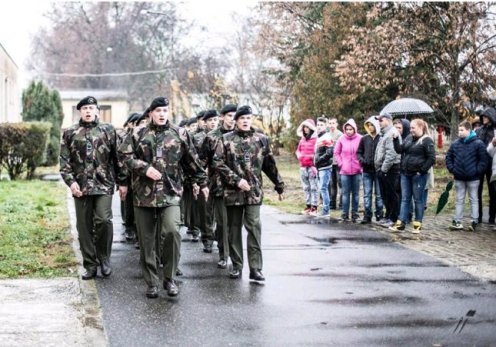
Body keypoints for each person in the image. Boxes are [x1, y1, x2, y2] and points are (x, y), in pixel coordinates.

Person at [119, 97, 208, 298]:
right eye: (158, 110)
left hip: (171, 193)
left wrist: (201, 183)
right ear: (150, 112)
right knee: (147, 241)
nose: (161, 114)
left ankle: (169, 278)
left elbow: (192, 161)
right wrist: (144, 168)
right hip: (143, 195)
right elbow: (124, 156)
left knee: (171, 232)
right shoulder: (138, 133)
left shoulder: (179, 133)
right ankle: (151, 282)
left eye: (165, 110)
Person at [212, 105, 284, 281]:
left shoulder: (261, 139)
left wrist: (278, 184)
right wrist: (236, 180)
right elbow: (218, 163)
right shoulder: (226, 140)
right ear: (236, 121)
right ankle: (237, 265)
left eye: (248, 118)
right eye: (242, 118)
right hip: (233, 192)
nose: (245, 121)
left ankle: (256, 268)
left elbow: (269, 164)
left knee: (253, 227)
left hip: (253, 192)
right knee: (234, 229)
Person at [60, 96, 126, 280]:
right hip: (80, 187)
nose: (88, 111)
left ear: (97, 110)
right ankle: (90, 264)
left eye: (91, 108)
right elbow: (64, 162)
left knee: (104, 220)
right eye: (85, 108)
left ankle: (104, 258)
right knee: (84, 227)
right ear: (79, 111)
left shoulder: (108, 130)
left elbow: (118, 159)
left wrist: (122, 182)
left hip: (103, 185)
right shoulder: (71, 132)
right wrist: (71, 182)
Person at [202, 103, 237, 268]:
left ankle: (236, 257)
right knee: (222, 223)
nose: (232, 119)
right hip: (219, 186)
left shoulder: (243, 135)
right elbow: (203, 161)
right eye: (229, 115)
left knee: (235, 224)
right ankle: (224, 255)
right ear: (222, 117)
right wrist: (201, 183)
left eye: (234, 115)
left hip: (239, 187)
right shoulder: (211, 137)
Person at [389, 119, 436, 233]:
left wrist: (422, 170)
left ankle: (417, 223)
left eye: (413, 128)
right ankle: (401, 223)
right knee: (405, 199)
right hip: (405, 173)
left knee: (418, 200)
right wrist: (395, 139)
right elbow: (400, 150)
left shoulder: (427, 140)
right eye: (410, 128)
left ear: (420, 127)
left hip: (418, 175)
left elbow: (431, 158)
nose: (411, 130)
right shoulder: (409, 138)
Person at [446, 120, 488, 232]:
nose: (459, 132)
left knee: (473, 199)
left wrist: (476, 171)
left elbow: (484, 160)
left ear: (468, 130)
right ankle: (458, 221)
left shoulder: (478, 144)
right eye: (459, 130)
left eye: (462, 130)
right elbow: (448, 157)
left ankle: (474, 220)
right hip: (459, 177)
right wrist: (453, 169)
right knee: (459, 199)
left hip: (473, 178)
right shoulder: (455, 144)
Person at [193, 109, 219, 253]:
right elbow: (197, 160)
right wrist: (197, 180)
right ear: (205, 122)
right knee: (206, 210)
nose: (213, 123)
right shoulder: (198, 138)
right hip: (205, 178)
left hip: (220, 179)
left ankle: (217, 235)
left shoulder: (223, 136)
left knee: (218, 211)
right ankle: (207, 238)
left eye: (215, 120)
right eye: (210, 121)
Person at [374, 113, 402, 227]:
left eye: (381, 120)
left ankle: (393, 218)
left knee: (391, 195)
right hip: (383, 169)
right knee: (385, 195)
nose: (379, 122)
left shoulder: (392, 133)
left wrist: (383, 170)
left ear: (388, 120)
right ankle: (388, 215)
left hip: (390, 169)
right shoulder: (384, 134)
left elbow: (391, 154)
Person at [334, 119, 362, 222]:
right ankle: (344, 213)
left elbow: (362, 152)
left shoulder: (360, 138)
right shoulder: (341, 139)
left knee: (355, 194)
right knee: (345, 193)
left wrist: (360, 165)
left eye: (351, 129)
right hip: (344, 171)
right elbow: (336, 152)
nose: (349, 131)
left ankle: (355, 214)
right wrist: (341, 164)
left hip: (357, 171)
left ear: (354, 129)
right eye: (347, 129)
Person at [357, 116, 383, 224]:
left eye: (372, 125)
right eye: (369, 125)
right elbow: (359, 152)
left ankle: (379, 215)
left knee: (379, 194)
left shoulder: (381, 138)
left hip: (378, 170)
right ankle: (367, 215)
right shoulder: (364, 138)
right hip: (367, 170)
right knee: (367, 194)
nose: (370, 127)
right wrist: (363, 160)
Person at [475, 107, 496, 224]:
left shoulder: (495, 131)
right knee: (477, 191)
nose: (483, 118)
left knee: (493, 192)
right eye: (483, 116)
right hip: (479, 164)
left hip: (492, 164)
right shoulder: (478, 130)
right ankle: (478, 216)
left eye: (486, 116)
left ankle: (492, 216)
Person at [295, 119, 318, 215]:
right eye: (304, 127)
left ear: (311, 128)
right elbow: (298, 151)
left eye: (307, 127)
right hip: (303, 167)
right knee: (306, 187)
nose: (305, 129)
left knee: (314, 187)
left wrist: (312, 159)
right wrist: (300, 157)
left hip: (312, 167)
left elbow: (317, 152)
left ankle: (314, 207)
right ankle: (308, 206)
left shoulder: (316, 140)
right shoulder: (302, 140)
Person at [313, 116, 334, 217]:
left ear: (326, 126)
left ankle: (326, 210)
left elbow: (330, 153)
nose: (319, 127)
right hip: (319, 167)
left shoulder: (327, 137)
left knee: (323, 188)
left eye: (321, 125)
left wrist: (319, 161)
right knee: (321, 189)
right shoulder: (319, 137)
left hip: (325, 167)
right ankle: (324, 209)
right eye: (318, 125)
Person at [327, 117, 343, 210]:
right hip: (330, 162)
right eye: (330, 123)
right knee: (332, 184)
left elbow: (341, 147)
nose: (331, 125)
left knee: (340, 183)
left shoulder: (340, 134)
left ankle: (341, 204)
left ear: (336, 124)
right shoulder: (327, 134)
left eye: (333, 123)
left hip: (338, 163)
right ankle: (332, 204)